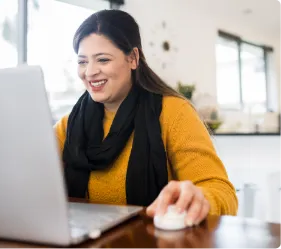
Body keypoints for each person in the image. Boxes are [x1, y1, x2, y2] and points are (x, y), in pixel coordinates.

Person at [54, 9, 238, 226]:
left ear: (133, 58)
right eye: (82, 62)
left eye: (102, 59)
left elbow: (223, 192)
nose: (90, 72)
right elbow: (30, 175)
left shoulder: (173, 113)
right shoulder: (69, 124)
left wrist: (200, 199)